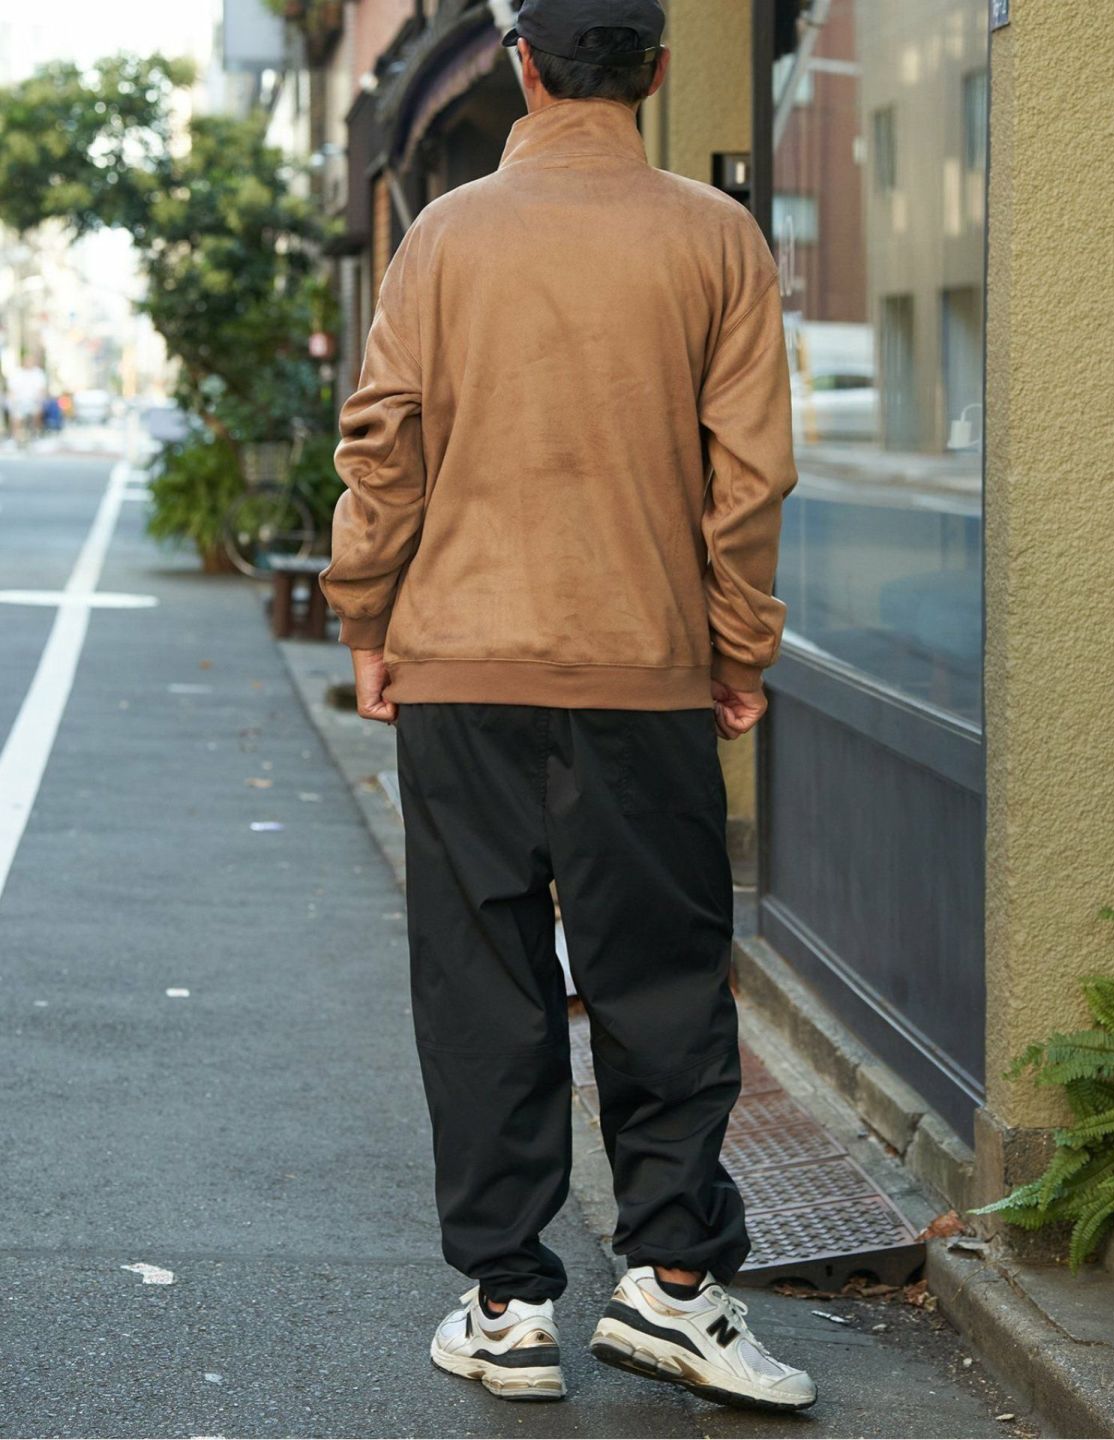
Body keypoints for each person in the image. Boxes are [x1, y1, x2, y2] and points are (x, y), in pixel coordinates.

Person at [320, 0, 813, 1414]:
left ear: (525, 67)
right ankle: (673, 1287)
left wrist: (368, 619)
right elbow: (749, 474)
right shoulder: (716, 239)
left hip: (462, 671)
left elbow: (385, 443)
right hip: (642, 668)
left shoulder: (445, 235)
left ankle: (508, 1305)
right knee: (662, 977)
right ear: (655, 70)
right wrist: (737, 647)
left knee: (482, 984)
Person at [8, 355, 47, 446]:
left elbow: (42, 390)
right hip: (19, 401)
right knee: (15, 414)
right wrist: (13, 400)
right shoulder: (17, 373)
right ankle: (16, 436)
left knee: (38, 410)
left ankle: (36, 433)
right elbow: (12, 390)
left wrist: (39, 399)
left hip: (34, 400)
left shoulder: (38, 373)